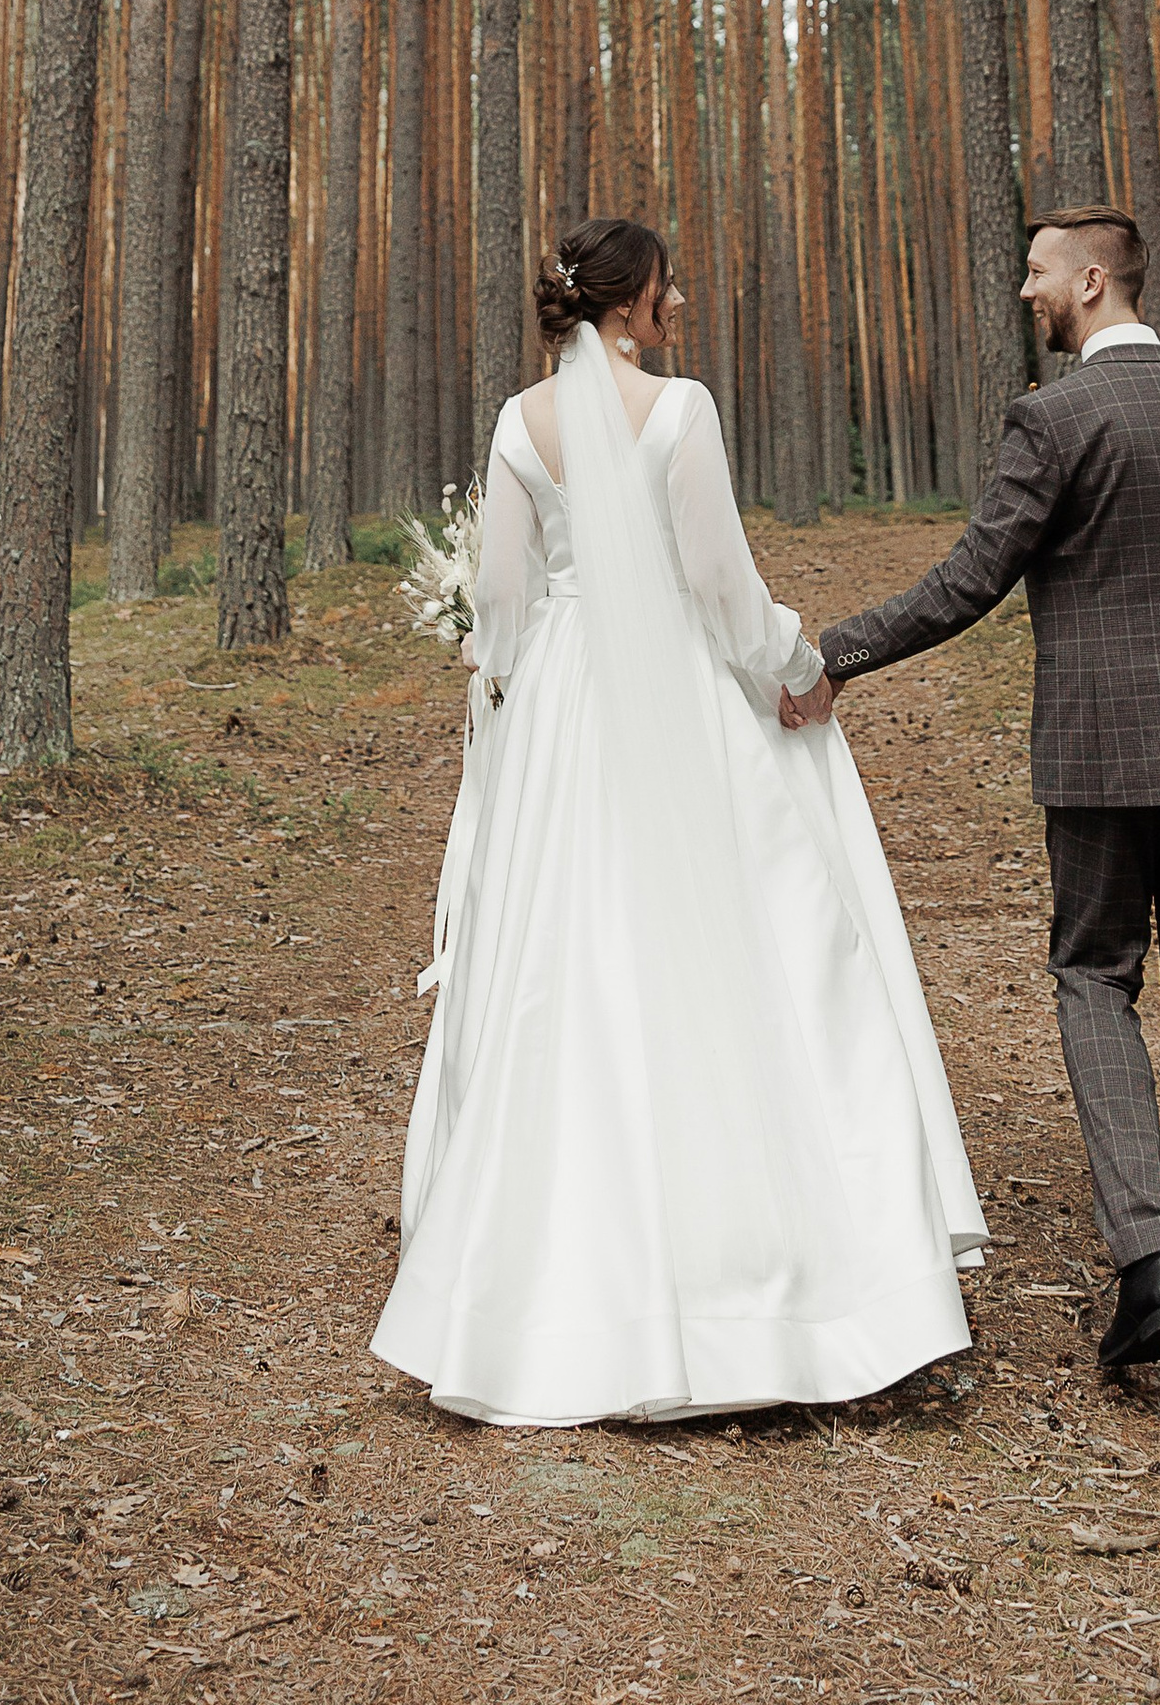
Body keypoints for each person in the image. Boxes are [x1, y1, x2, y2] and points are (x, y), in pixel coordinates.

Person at [372, 213, 985, 1426]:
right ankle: (774, 1291)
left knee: (567, 961)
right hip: (681, 705)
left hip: (561, 710)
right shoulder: (681, 410)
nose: (677, 307)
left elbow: (499, 596)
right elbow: (714, 579)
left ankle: (545, 1287)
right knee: (738, 951)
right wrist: (791, 663)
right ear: (626, 308)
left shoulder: (516, 424)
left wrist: (503, 687)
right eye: (665, 291)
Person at [788, 204, 1160, 1398]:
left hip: (1099, 758)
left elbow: (972, 577)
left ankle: (1150, 1268)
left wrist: (836, 654)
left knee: (1092, 977)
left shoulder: (1058, 418)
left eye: (1035, 275)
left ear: (1089, 279)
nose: (1025, 293)